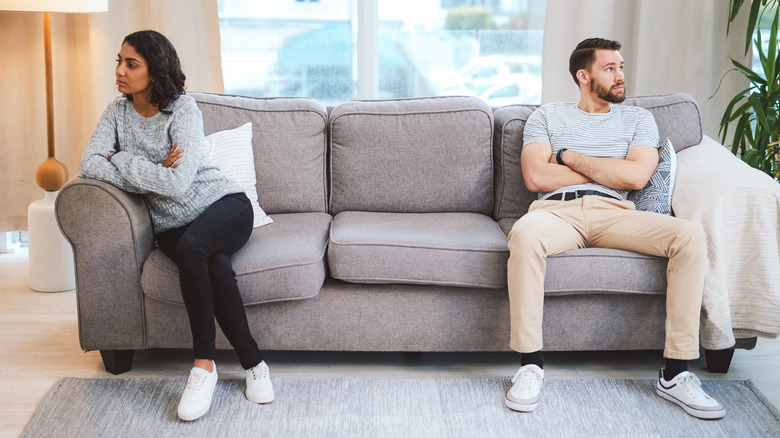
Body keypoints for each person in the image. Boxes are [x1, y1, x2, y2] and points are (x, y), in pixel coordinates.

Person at [504, 37, 725, 420]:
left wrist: (568, 156)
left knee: (689, 235)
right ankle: (530, 365)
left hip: (617, 211)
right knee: (523, 234)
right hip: (557, 211)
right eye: (610, 69)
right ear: (583, 76)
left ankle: (675, 373)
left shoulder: (639, 119)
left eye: (621, 67)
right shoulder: (546, 117)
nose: (621, 76)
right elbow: (536, 176)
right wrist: (607, 168)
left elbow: (637, 176)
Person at [80, 30, 274, 421]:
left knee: (194, 248)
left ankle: (203, 365)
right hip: (173, 224)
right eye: (118, 61)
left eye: (131, 64)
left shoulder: (183, 110)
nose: (119, 71)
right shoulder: (116, 113)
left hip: (222, 205)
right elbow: (90, 163)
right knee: (213, 264)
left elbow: (177, 183)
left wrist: (120, 160)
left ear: (155, 70)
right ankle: (254, 364)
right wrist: (143, 166)